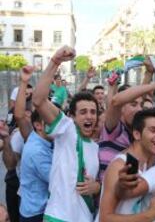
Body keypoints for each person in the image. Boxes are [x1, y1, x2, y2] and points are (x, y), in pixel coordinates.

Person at [32, 46, 100, 222]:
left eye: (93, 112)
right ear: (72, 116)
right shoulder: (67, 130)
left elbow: (99, 182)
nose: (89, 116)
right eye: (83, 112)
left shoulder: (96, 147)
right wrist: (55, 61)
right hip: (58, 217)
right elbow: (38, 100)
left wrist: (97, 187)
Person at [98, 108, 155, 221]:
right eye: (153, 130)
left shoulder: (145, 161)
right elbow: (104, 218)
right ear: (137, 134)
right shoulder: (120, 165)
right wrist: (151, 215)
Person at [15, 66, 53, 221]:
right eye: (50, 121)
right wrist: (24, 82)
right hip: (36, 214)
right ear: (38, 125)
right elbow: (57, 180)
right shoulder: (37, 149)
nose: (55, 123)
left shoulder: (38, 139)